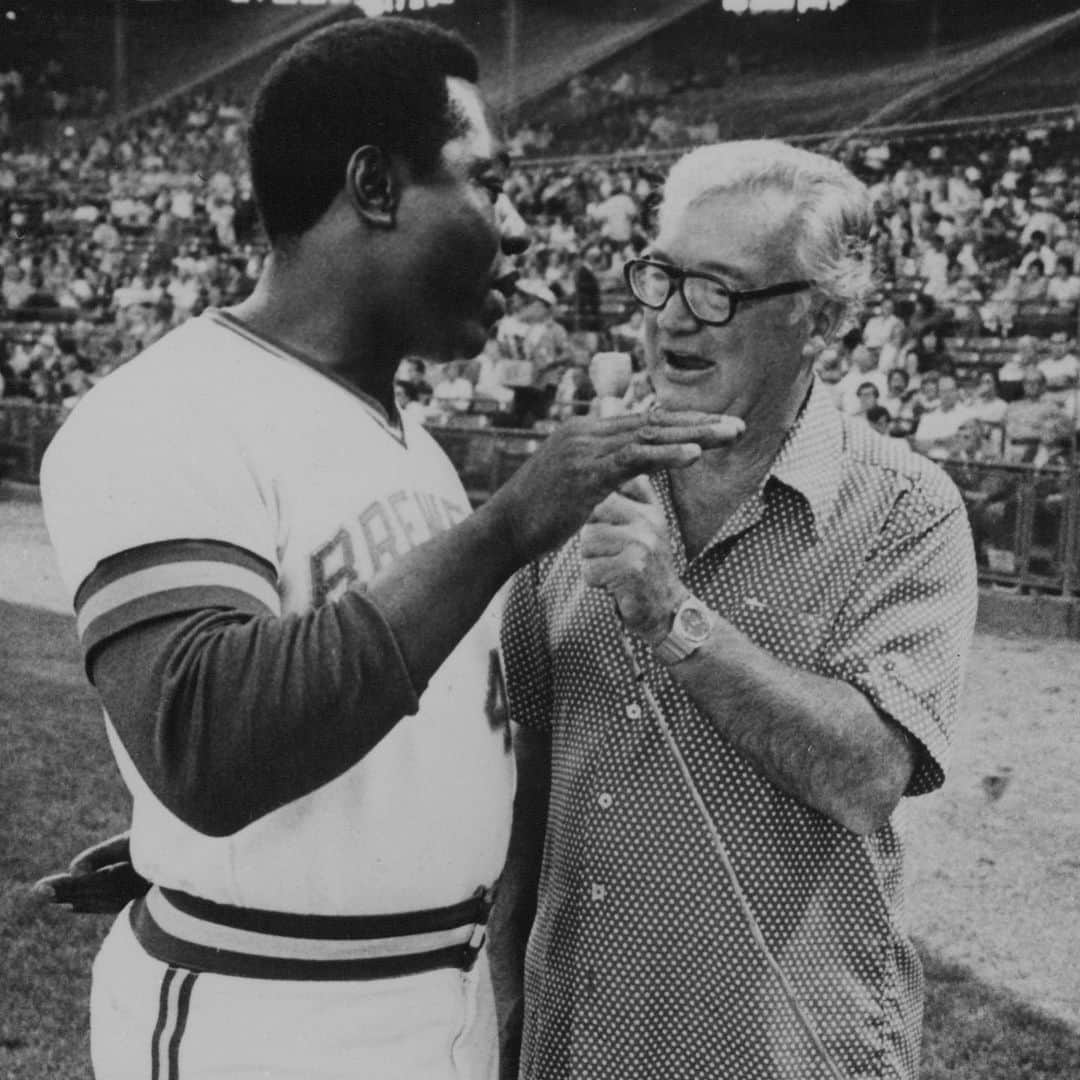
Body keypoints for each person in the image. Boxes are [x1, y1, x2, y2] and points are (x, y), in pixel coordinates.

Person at [35, 21, 741, 1080]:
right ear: (375, 186)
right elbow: (207, 742)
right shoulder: (162, 411)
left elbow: (412, 729)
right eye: (486, 183)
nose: (513, 227)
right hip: (268, 1015)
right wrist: (510, 524)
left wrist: (214, 858)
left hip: (433, 992)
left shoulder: (405, 439)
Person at [491, 140, 977, 1080]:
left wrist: (675, 616)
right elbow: (526, 778)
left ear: (821, 317)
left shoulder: (905, 508)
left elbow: (869, 773)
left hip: (784, 1048)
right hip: (578, 1037)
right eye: (661, 277)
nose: (674, 317)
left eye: (718, 289)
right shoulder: (574, 487)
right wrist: (505, 993)